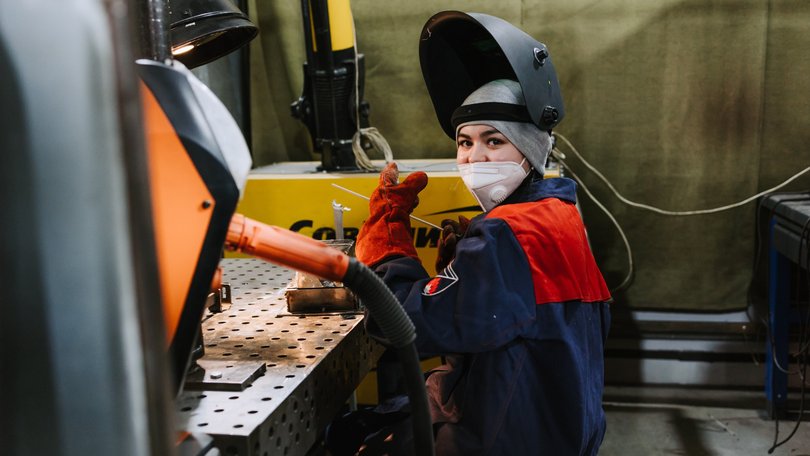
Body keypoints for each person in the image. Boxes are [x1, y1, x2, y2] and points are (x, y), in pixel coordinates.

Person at [333, 12, 612, 456]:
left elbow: (404, 325)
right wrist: (464, 268)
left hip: (505, 442)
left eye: (494, 141)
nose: (475, 157)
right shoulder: (559, 214)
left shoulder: (507, 233)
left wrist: (387, 243)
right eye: (465, 142)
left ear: (530, 149)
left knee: (352, 439)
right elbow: (514, 320)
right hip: (562, 430)